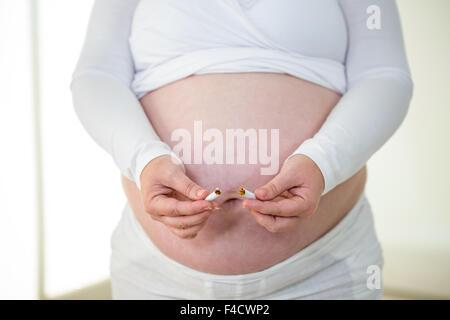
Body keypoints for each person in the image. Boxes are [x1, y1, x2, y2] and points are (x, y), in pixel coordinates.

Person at [71, 0, 413, 299]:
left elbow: (384, 75)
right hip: (158, 275)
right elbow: (98, 74)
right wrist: (143, 158)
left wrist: (322, 162)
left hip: (322, 268)